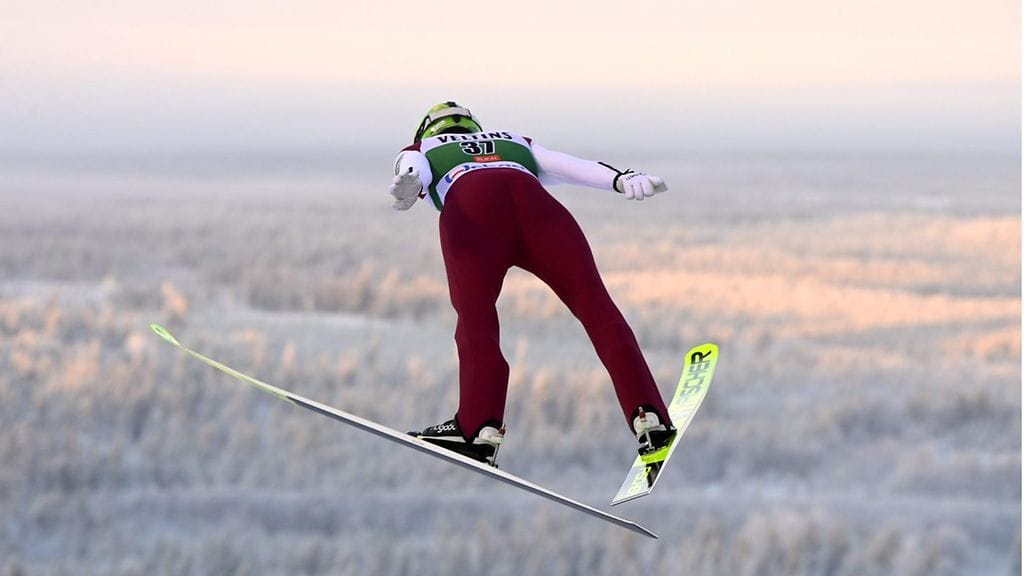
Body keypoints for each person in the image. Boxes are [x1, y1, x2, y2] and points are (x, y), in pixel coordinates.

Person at [391, 101, 675, 466]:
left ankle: (479, 427)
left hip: (473, 212)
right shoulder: (513, 140)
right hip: (539, 211)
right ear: (475, 127)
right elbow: (569, 165)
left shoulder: (423, 149)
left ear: (427, 131)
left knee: (476, 320)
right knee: (597, 308)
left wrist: (411, 182)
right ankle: (648, 414)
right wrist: (621, 179)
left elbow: (410, 169)